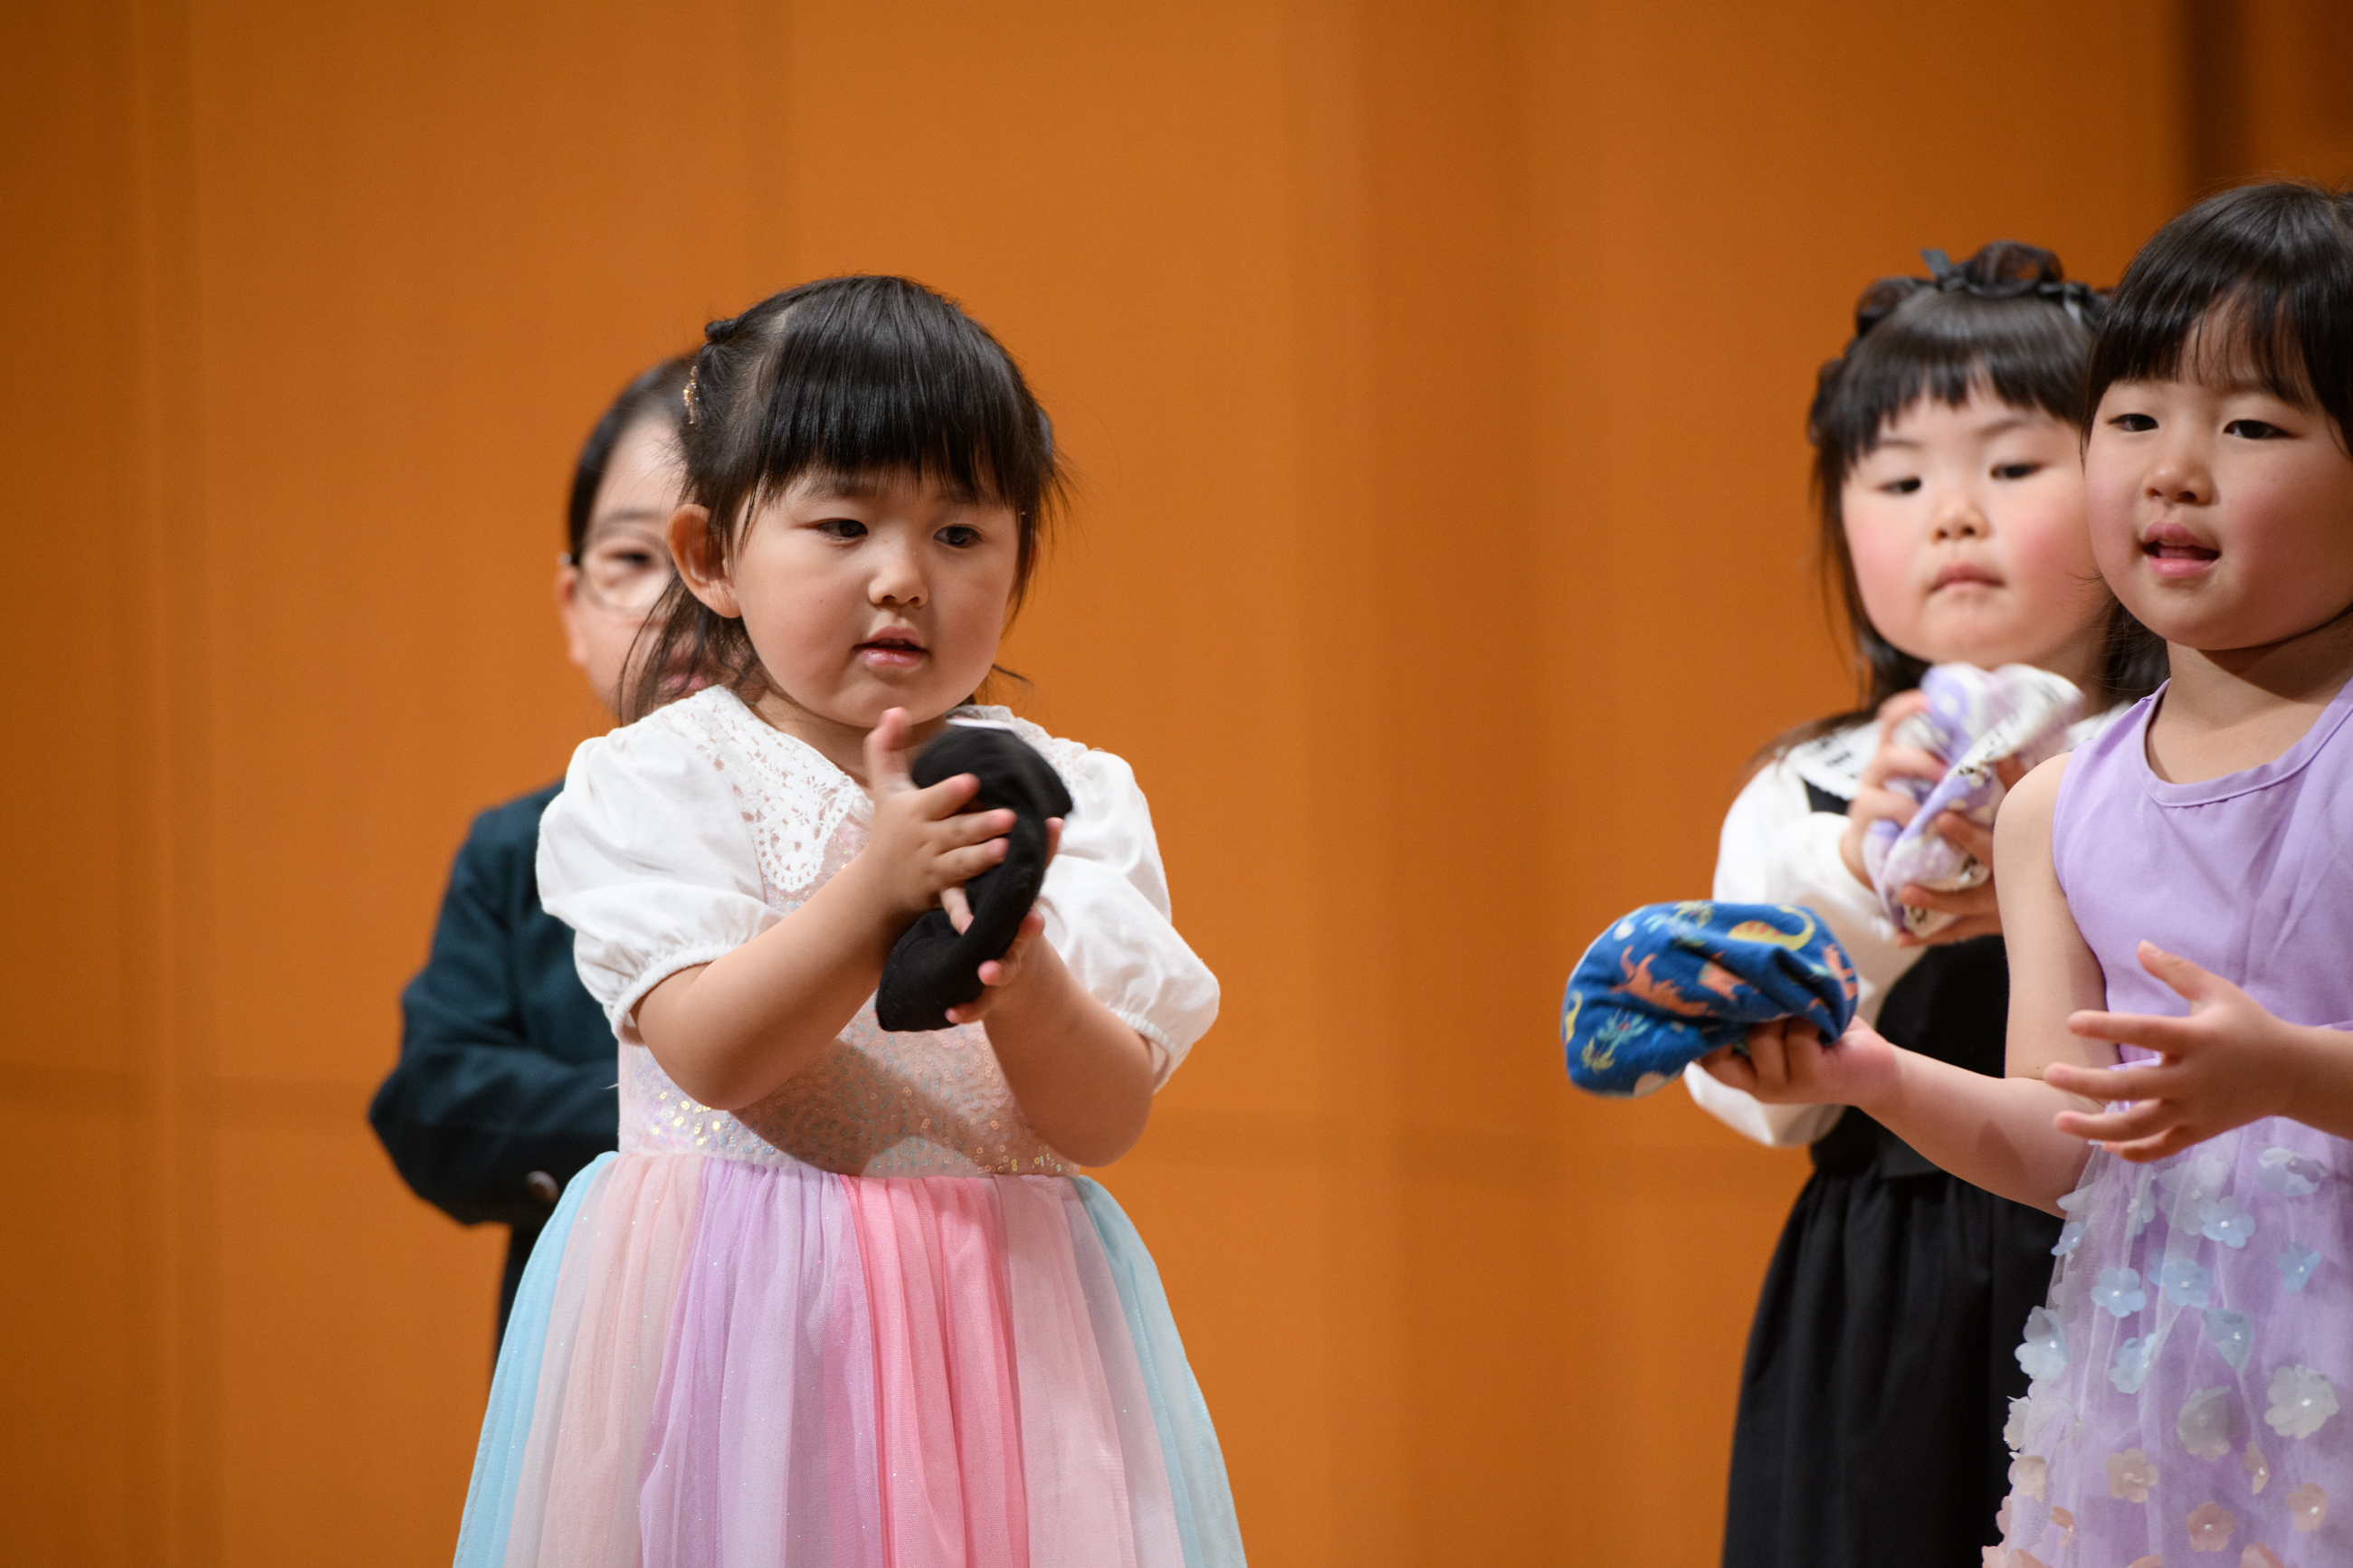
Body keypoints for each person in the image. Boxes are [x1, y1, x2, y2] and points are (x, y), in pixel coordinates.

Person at [453, 276, 1244, 1566]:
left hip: (1006, 1346)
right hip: (747, 1331)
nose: (901, 578)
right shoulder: (660, 779)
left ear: (1020, 562)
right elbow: (712, 1053)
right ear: (710, 558)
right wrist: (870, 896)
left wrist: (1023, 970)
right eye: (842, 523)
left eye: (959, 534)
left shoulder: (1068, 801)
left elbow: (1102, 1121)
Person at [1708, 181, 2353, 1565]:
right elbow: (2063, 1144)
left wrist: (2293, 1074)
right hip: (2131, 1383)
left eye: (2247, 426)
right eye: (2134, 422)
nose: (2176, 469)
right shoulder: (2058, 803)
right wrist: (1863, 1070)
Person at [1686, 242, 2164, 1568]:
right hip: (1889, 1285)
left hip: (2151, 1256)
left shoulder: (2181, 748)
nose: (1951, 513)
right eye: (1897, 479)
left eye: (2013, 466)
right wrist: (1864, 881)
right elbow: (1761, 1098)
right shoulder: (1818, 783)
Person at [370, 356, 690, 1341]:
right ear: (571, 606)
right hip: (596, 1354)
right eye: (633, 559)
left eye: (713, 552)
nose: (673, 597)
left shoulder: (880, 832)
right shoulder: (520, 846)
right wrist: (682, 1110)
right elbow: (432, 1103)